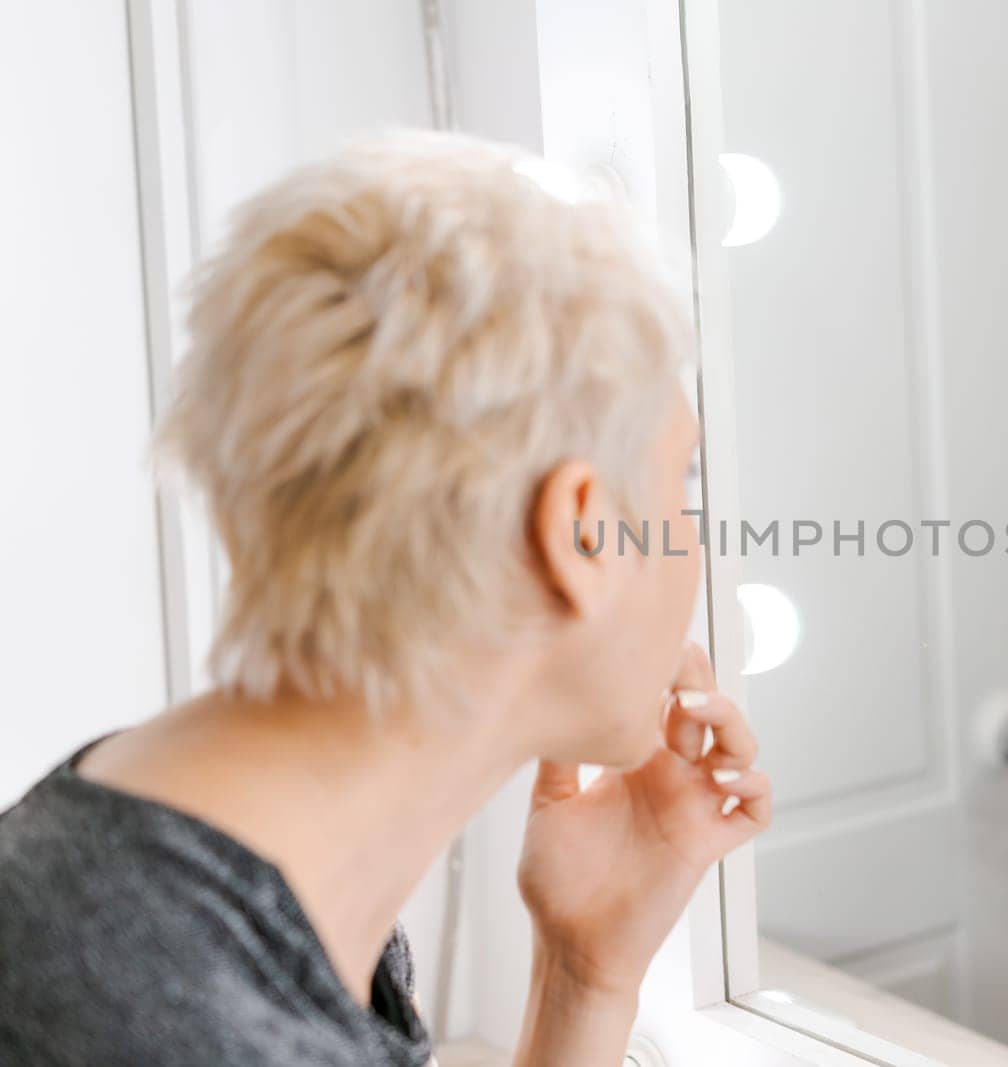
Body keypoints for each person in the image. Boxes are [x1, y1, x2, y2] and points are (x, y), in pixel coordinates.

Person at [0, 129, 771, 1065]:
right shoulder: (187, 1029)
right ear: (578, 532)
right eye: (679, 482)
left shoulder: (158, 863)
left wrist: (584, 976)